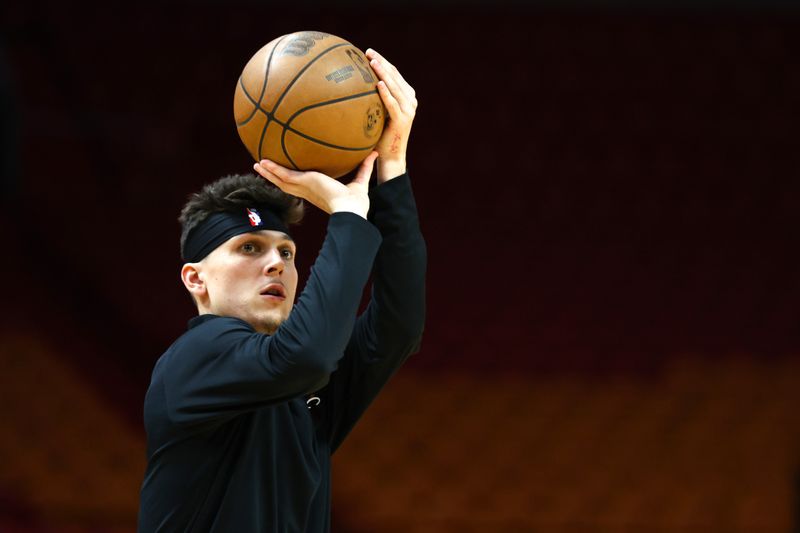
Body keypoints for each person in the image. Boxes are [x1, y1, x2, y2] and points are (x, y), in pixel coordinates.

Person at [137, 48, 425, 532]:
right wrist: (347, 217)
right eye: (249, 248)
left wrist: (390, 169)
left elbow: (398, 329)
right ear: (196, 279)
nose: (276, 262)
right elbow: (307, 356)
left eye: (287, 252)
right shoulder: (193, 359)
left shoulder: (296, 388)